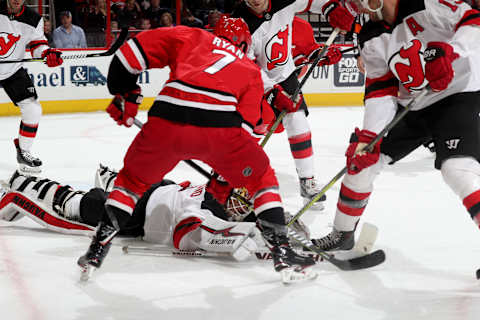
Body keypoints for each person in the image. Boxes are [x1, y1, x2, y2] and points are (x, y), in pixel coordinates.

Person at [77, 17, 317, 283]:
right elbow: (247, 133)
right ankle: (282, 253)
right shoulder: (250, 69)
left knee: (131, 184)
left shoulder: (191, 35)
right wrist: (224, 179)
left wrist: (125, 94)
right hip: (220, 126)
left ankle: (97, 250)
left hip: (167, 116)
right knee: (262, 180)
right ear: (245, 44)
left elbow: (130, 53)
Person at [312, 0, 480, 253]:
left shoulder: (428, 3)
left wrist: (452, 50)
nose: (357, 4)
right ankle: (342, 233)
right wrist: (369, 137)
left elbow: (473, 20)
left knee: (457, 169)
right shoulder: (369, 33)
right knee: (361, 164)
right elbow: (381, 88)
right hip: (411, 106)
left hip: (455, 96)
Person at [0, 167, 310, 261]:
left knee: (110, 192)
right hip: (136, 214)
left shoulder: (226, 201)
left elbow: (271, 221)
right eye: (238, 196)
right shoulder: (207, 209)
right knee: (78, 203)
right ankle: (21, 185)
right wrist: (245, 243)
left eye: (247, 199)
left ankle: (112, 176)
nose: (241, 206)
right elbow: (184, 236)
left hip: (161, 187)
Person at [232, 0, 355, 210]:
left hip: (285, 76)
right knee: (253, 131)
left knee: (298, 121)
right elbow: (246, 66)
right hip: (254, 83)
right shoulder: (239, 23)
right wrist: (270, 91)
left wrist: (331, 8)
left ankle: (307, 182)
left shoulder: (285, 2)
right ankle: (236, 179)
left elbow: (315, 3)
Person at [0, 0, 63, 174]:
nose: (15, 0)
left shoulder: (34, 19)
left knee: (33, 110)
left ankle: (24, 152)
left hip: (13, 70)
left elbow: (37, 45)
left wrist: (46, 54)